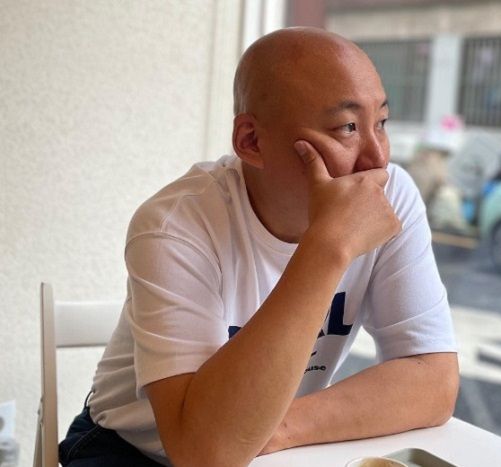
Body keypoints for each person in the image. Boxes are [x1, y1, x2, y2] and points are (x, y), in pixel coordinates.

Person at [59, 27, 459, 467]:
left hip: (267, 444)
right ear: (251, 141)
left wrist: (266, 429)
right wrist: (329, 246)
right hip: (130, 447)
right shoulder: (175, 224)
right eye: (347, 127)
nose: (377, 159)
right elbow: (203, 453)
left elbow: (434, 381)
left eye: (380, 123)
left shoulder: (390, 197)